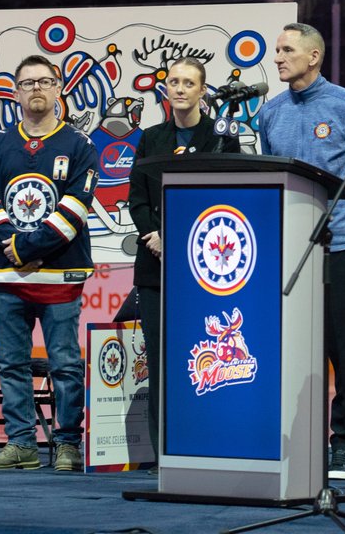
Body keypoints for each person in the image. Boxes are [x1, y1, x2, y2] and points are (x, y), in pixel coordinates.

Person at [258, 22, 345, 481]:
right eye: (276, 50)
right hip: (289, 251)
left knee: (344, 351)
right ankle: (295, 438)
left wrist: (343, 216)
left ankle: (344, 445)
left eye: (286, 50)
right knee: (289, 347)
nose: (277, 58)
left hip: (342, 249)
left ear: (314, 56)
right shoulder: (269, 113)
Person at [0, 54, 100, 472]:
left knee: (65, 364)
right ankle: (21, 444)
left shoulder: (80, 145)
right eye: (27, 83)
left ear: (58, 87)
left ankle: (67, 444)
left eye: (44, 81)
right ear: (16, 93)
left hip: (59, 274)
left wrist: (28, 247)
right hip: (7, 274)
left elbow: (77, 205)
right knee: (12, 364)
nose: (36, 89)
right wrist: (11, 242)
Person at [127, 56, 240, 468]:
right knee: (161, 361)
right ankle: (164, 454)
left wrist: (177, 236)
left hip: (205, 268)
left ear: (202, 90)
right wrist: (155, 236)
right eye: (173, 81)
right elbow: (137, 199)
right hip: (155, 265)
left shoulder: (221, 137)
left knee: (205, 357)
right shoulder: (150, 137)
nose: (179, 88)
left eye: (188, 83)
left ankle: (207, 441)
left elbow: (225, 198)